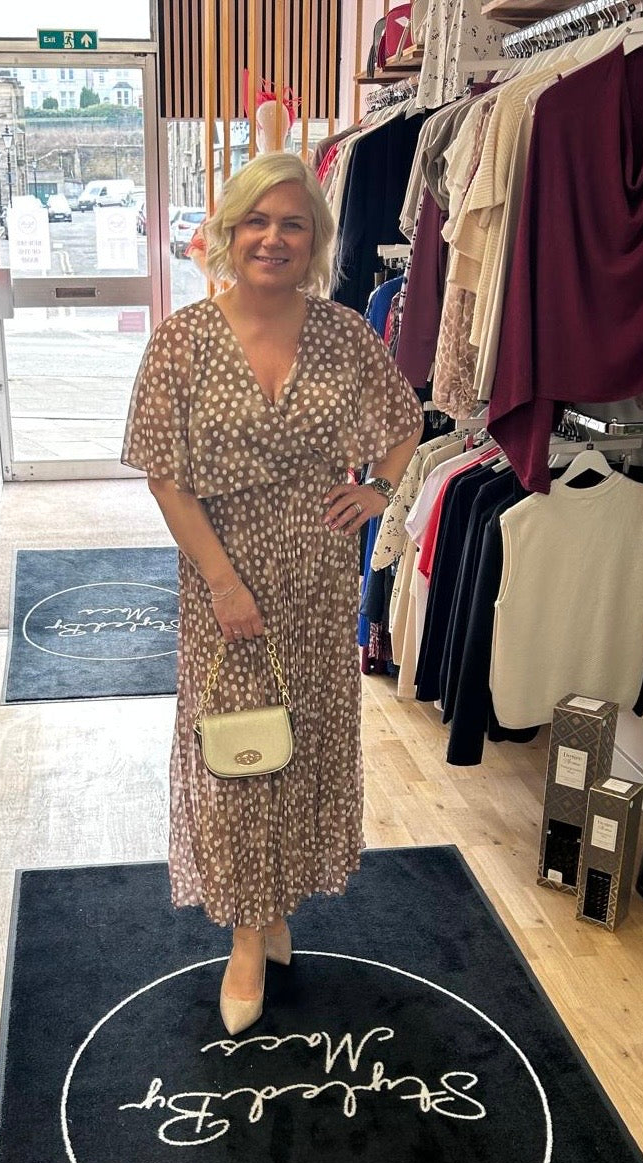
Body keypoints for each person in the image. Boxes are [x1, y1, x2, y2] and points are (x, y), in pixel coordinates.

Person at [122, 152, 422, 1035]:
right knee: (239, 752)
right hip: (225, 575)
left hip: (318, 578)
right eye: (257, 220)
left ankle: (274, 898)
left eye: (293, 223)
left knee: (300, 740)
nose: (273, 238)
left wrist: (377, 491)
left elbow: (405, 422)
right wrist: (223, 584)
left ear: (316, 239)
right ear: (229, 231)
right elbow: (165, 476)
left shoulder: (343, 334)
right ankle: (248, 934)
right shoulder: (182, 339)